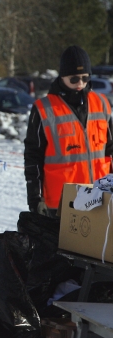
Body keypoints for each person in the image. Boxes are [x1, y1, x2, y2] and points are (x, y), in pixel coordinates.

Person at [24, 45, 113, 219]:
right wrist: (34, 199)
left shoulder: (102, 103)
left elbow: (110, 149)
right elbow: (33, 157)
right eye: (74, 79)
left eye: (85, 78)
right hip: (62, 204)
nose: (80, 83)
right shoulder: (43, 109)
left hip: (100, 198)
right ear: (62, 76)